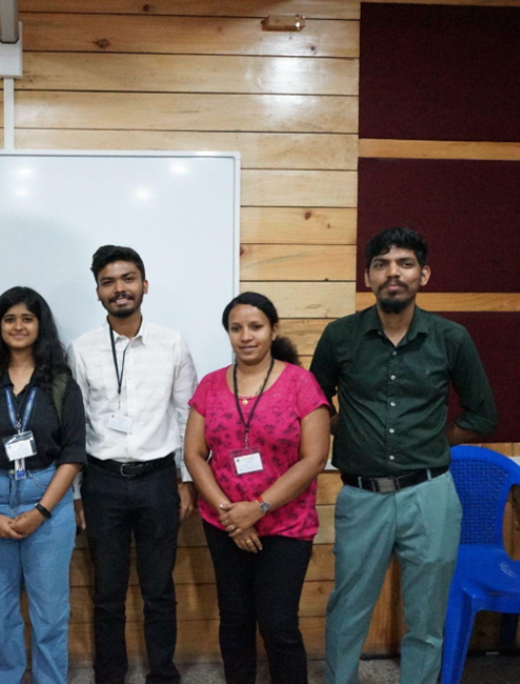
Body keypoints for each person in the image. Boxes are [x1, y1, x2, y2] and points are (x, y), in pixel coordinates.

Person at [310, 227, 498, 684]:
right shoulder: (340, 336)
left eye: (405, 264)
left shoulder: (451, 337)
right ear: (368, 276)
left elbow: (482, 415)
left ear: (423, 274)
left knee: (427, 619)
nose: (393, 273)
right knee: (347, 611)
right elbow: (313, 401)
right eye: (381, 264)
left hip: (431, 495)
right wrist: (347, 429)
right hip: (361, 497)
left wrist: (433, 441)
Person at [184, 292, 330, 684]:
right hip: (225, 524)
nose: (246, 336)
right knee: (234, 619)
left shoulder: (301, 384)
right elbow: (194, 455)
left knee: (278, 624)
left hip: (286, 526)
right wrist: (230, 514)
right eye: (236, 328)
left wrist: (258, 508)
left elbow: (314, 458)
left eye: (256, 327)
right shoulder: (211, 385)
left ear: (273, 330)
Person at [68, 245, 198, 684]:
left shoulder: (172, 343)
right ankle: (110, 675)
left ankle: (162, 674)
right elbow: (76, 426)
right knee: (108, 593)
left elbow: (187, 416)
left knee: (159, 590)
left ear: (144, 285)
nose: (119, 289)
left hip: (158, 480)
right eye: (108, 282)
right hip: (102, 483)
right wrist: (77, 494)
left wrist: (186, 481)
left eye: (127, 279)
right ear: (98, 291)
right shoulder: (81, 349)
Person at [0, 286, 86, 684]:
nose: (18, 326)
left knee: (50, 613)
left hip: (48, 498)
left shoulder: (61, 381)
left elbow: (73, 453)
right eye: (10, 319)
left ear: (40, 326)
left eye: (28, 319)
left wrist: (42, 511)